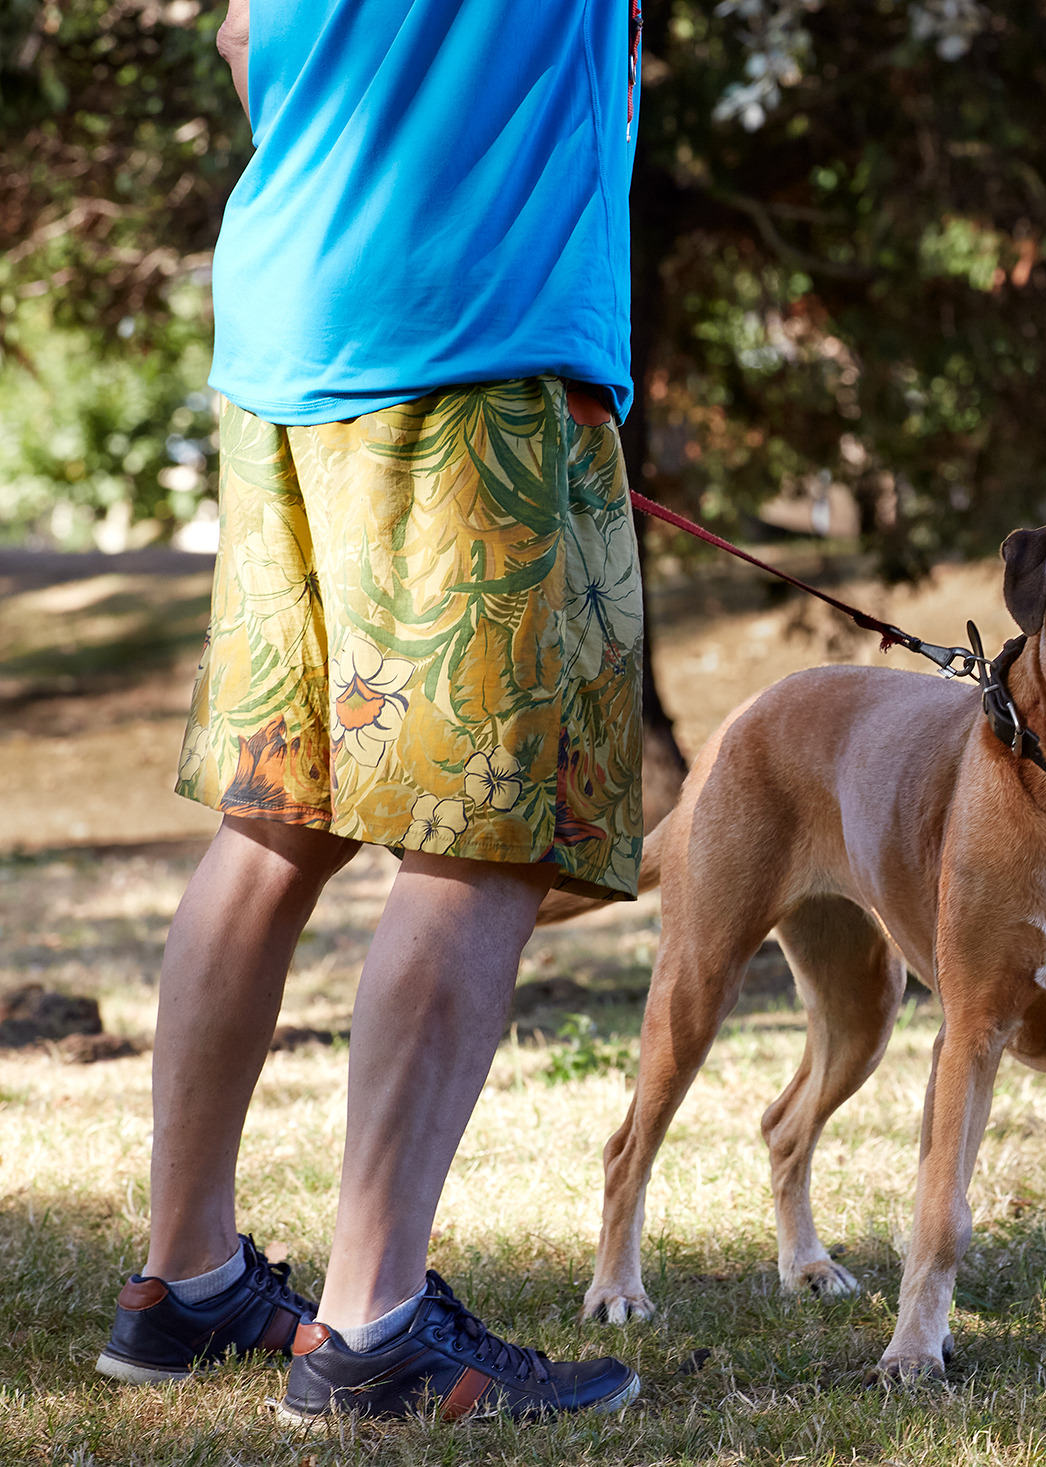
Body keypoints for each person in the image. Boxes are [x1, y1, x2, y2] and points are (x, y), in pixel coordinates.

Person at [93, 0, 649, 1422]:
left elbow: (239, 39)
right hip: (471, 341)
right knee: (485, 839)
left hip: (289, 324)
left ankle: (188, 1281)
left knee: (280, 813)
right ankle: (373, 1327)